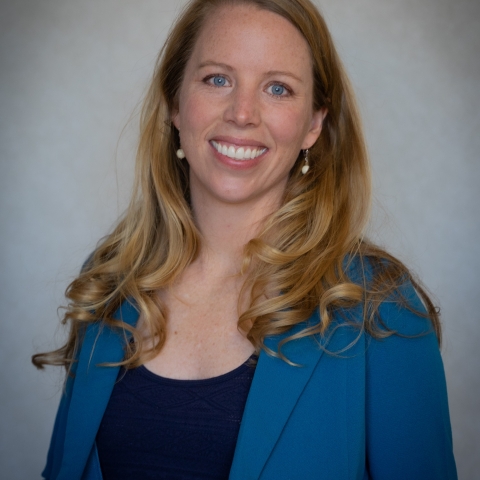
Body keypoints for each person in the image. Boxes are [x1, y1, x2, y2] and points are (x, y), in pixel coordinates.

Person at [33, 0, 457, 478]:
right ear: (175, 102)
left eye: (278, 88)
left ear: (313, 124)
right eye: (218, 79)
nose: (242, 113)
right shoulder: (110, 283)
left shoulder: (380, 306)